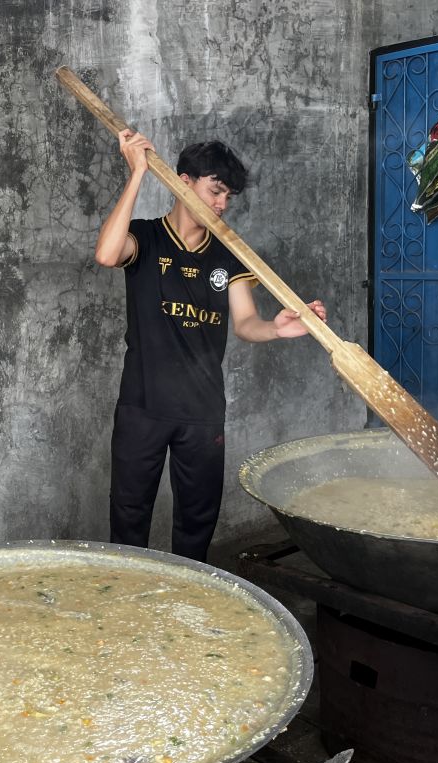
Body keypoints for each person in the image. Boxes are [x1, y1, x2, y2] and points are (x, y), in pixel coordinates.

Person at [94, 134, 327, 563]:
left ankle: (192, 605)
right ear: (184, 183)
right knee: (128, 516)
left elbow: (245, 323)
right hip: (142, 406)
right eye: (214, 190)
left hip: (202, 413)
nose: (221, 204)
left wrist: (275, 329)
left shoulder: (228, 254)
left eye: (228, 196)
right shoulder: (146, 238)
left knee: (197, 521)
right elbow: (108, 254)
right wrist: (138, 173)